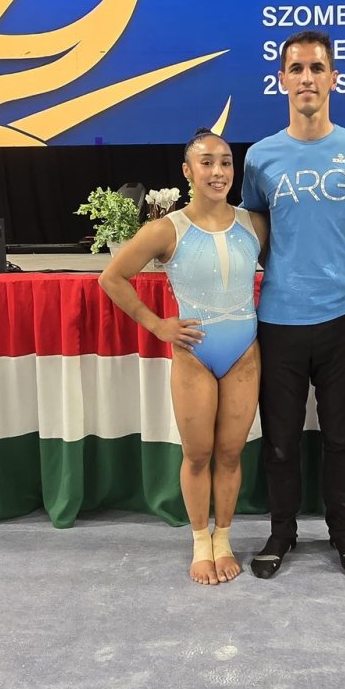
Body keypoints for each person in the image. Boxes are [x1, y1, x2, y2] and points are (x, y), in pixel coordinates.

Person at [241, 31, 345, 579]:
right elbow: (250, 235)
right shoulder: (259, 157)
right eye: (296, 68)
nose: (306, 78)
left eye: (317, 68)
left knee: (341, 438)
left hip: (344, 319)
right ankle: (281, 533)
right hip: (278, 320)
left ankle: (342, 533)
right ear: (281, 80)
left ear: (333, 78)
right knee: (279, 442)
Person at [99, 130, 267, 587]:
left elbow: (296, 270)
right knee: (197, 454)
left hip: (243, 353)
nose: (218, 172)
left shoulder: (255, 224)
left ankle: (225, 538)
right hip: (195, 354)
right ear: (187, 172)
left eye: (226, 163)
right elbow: (112, 278)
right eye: (207, 163)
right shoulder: (165, 229)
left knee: (231, 453)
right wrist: (158, 325)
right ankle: (199, 542)